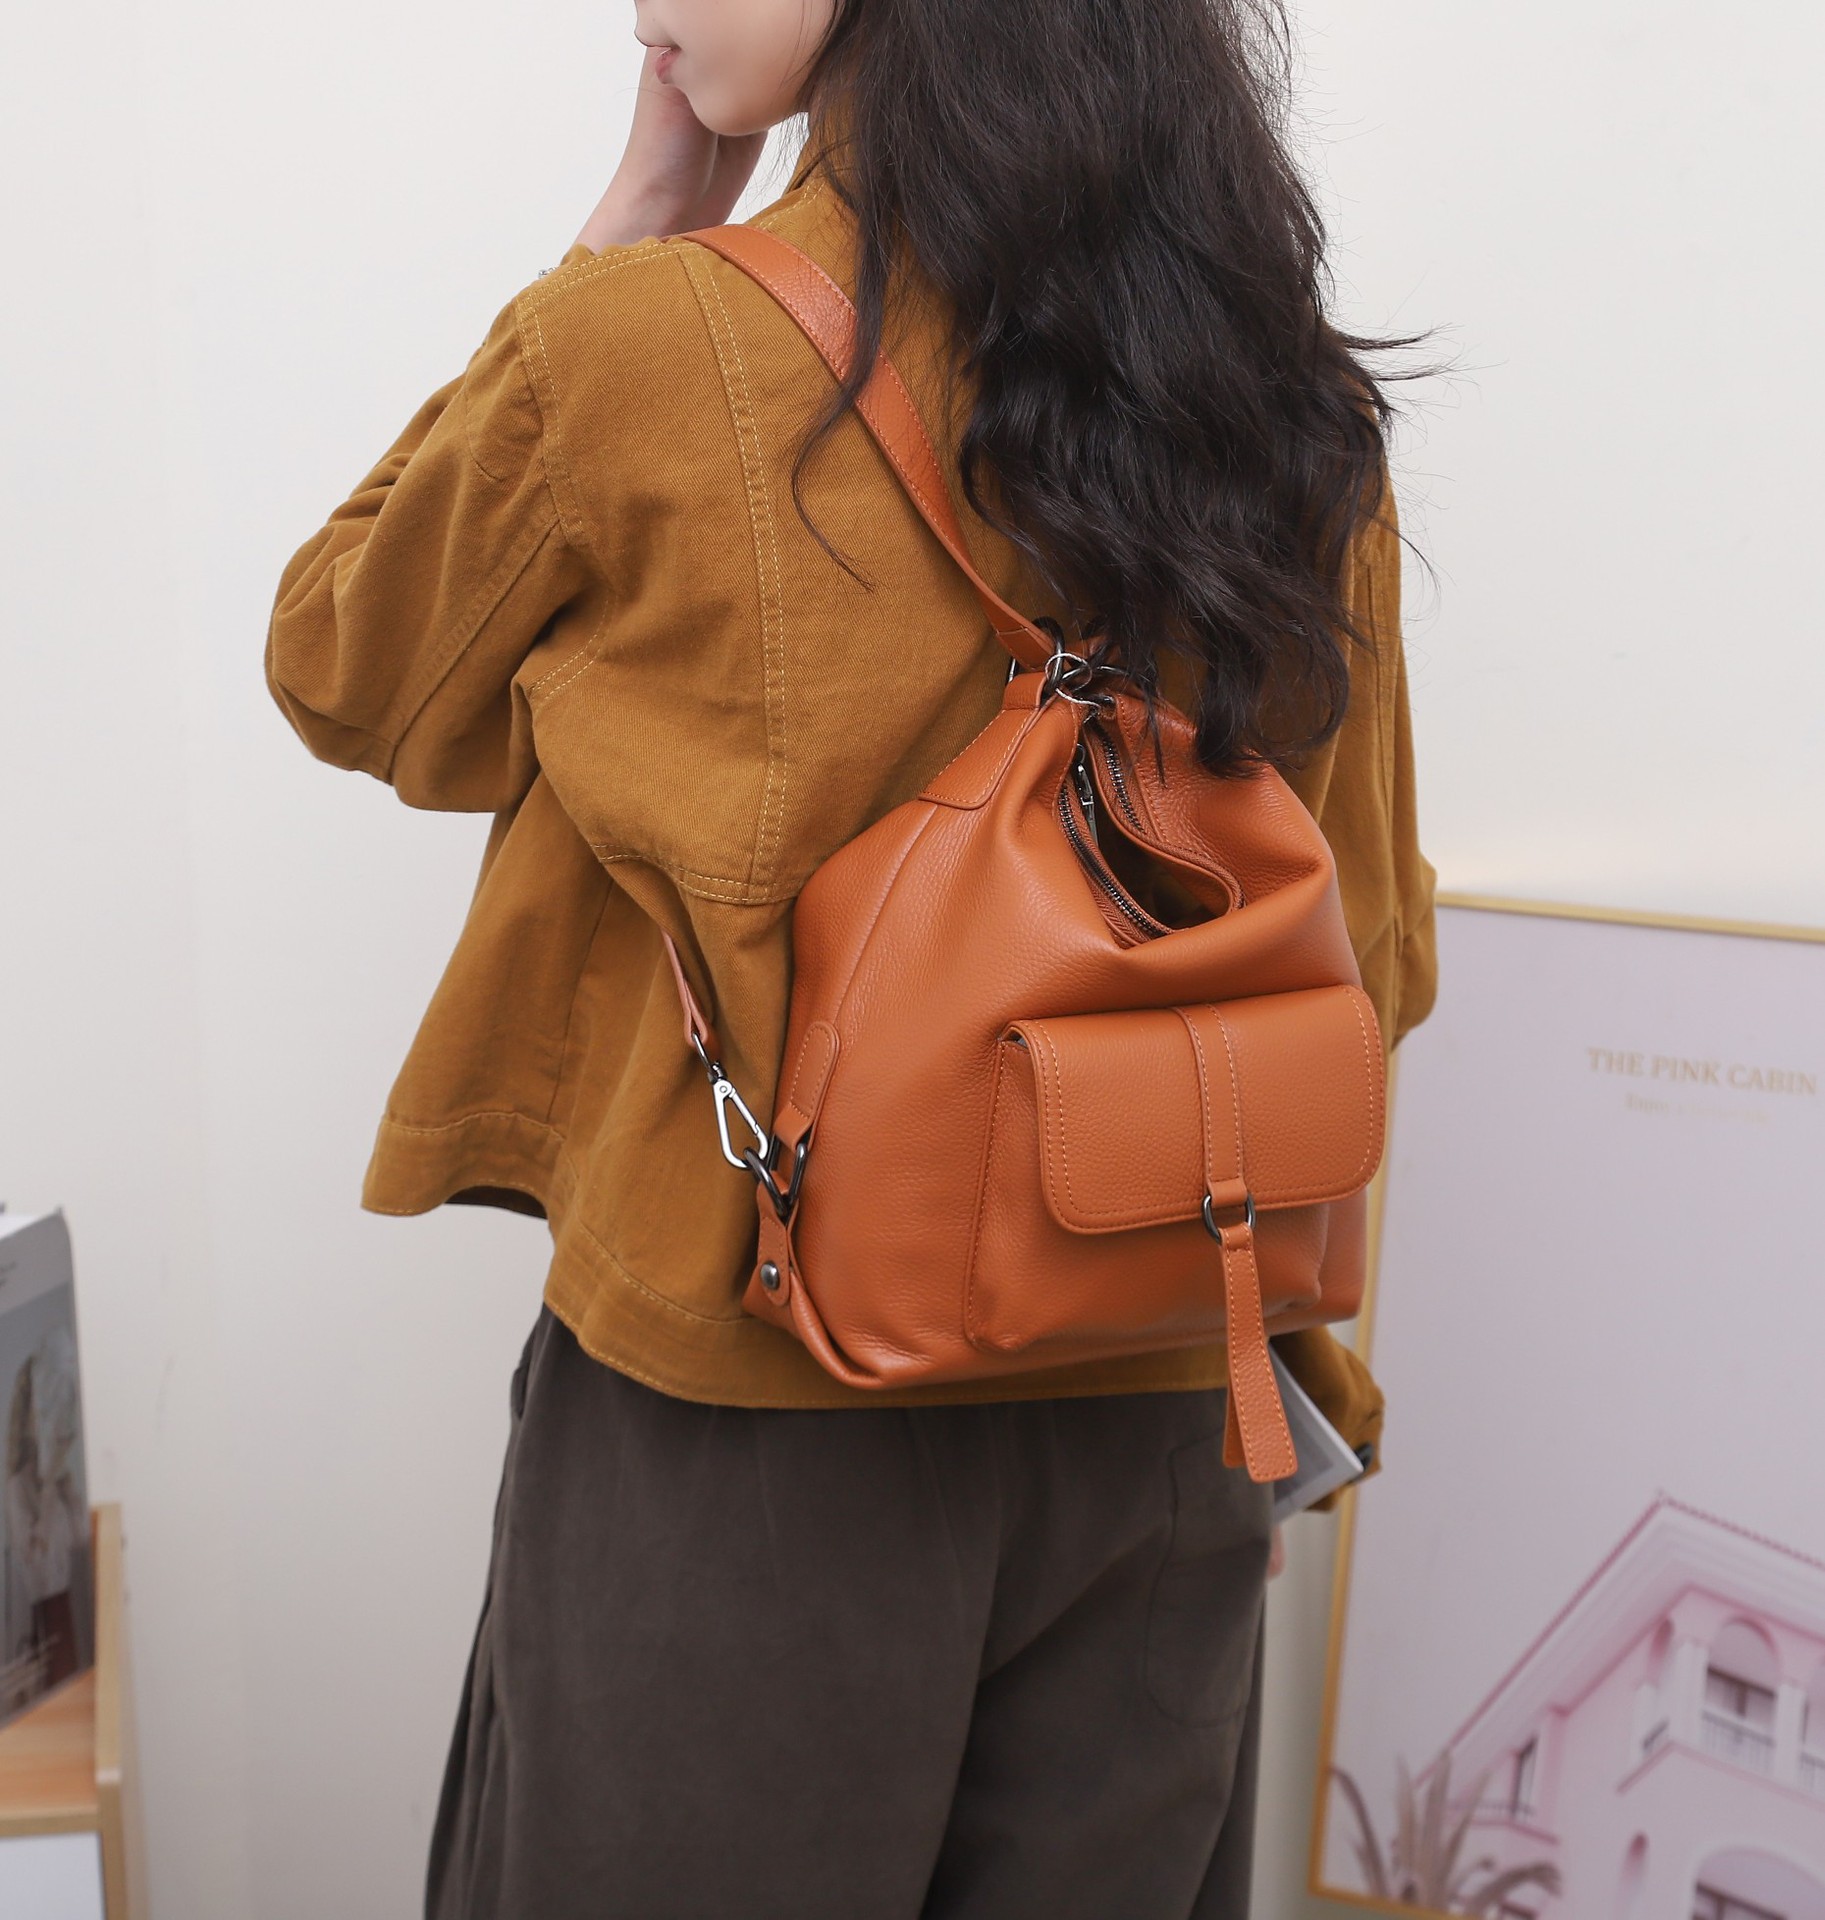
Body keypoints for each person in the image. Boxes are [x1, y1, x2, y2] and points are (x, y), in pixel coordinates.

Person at [267, 0, 1437, 1912]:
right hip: (1167, 1396)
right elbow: (1366, 946)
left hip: (754, 1409)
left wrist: (633, 219)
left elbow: (354, 673)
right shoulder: (1284, 397)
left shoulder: (642, 345)